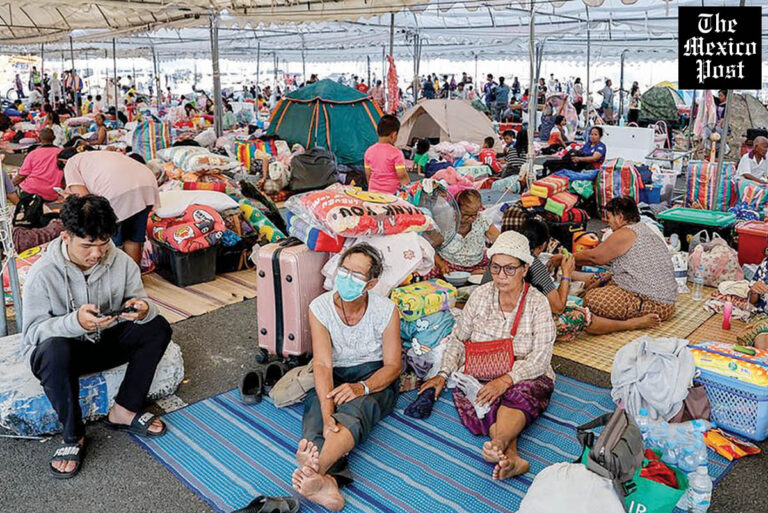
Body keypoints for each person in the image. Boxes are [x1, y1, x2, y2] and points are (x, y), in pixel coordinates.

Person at [22, 194, 172, 479]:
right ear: (66, 237)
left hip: (106, 342)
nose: (96, 254)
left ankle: (124, 410)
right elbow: (32, 334)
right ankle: (73, 435)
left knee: (157, 326)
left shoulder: (122, 262)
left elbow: (139, 300)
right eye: (87, 246)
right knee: (54, 350)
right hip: (66, 356)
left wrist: (142, 309)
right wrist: (74, 323)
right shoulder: (42, 273)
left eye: (103, 243)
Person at [419, 230, 556, 480]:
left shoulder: (537, 303)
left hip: (525, 374)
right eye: (495, 267)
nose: (501, 276)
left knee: (519, 394)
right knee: (480, 396)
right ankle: (511, 456)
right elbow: (458, 339)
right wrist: (443, 374)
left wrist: (505, 380)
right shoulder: (480, 296)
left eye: (510, 269)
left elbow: (541, 358)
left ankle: (498, 443)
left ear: (525, 269)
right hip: (481, 372)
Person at [292, 244, 400, 511]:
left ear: (371, 283)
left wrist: (362, 387)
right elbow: (322, 364)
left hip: (374, 377)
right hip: (336, 373)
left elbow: (393, 366)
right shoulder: (319, 307)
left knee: (357, 410)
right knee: (317, 412)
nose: (347, 279)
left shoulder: (386, 310)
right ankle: (327, 483)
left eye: (357, 275)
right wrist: (328, 413)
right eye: (344, 270)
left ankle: (316, 469)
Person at [515, 219, 662, 342]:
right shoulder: (534, 265)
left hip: (510, 321)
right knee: (581, 315)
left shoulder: (511, 256)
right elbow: (558, 308)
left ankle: (553, 336)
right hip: (523, 325)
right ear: (542, 245)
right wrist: (566, 273)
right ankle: (630, 324)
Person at [550, 197, 677, 322]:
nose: (608, 222)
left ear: (620, 217)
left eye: (609, 217)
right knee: (600, 278)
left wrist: (563, 258)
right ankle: (564, 274)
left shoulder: (626, 233)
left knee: (592, 300)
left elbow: (595, 257)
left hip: (655, 304)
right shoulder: (643, 228)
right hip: (660, 297)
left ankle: (636, 323)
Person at [63, 149, 160, 264]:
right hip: (147, 183)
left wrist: (68, 198)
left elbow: (85, 201)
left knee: (110, 241)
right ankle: (134, 273)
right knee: (133, 238)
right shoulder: (98, 155)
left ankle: (114, 272)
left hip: (116, 192)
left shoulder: (71, 163)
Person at [433, 189, 500, 276]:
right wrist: (440, 264)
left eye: (474, 214)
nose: (471, 218)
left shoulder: (482, 220)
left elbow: (501, 241)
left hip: (478, 265)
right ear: (456, 209)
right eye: (466, 214)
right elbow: (430, 247)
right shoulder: (444, 221)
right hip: (449, 266)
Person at [13, 128, 63, 202]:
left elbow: (21, 176)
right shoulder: (61, 153)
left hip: (31, 191)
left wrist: (10, 185)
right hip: (52, 193)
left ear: (39, 139)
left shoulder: (33, 154)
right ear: (54, 138)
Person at [364, 115, 409, 194]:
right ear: (393, 135)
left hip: (372, 192)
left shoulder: (369, 151)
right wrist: (408, 189)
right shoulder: (396, 152)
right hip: (391, 194)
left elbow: (368, 174)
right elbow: (402, 175)